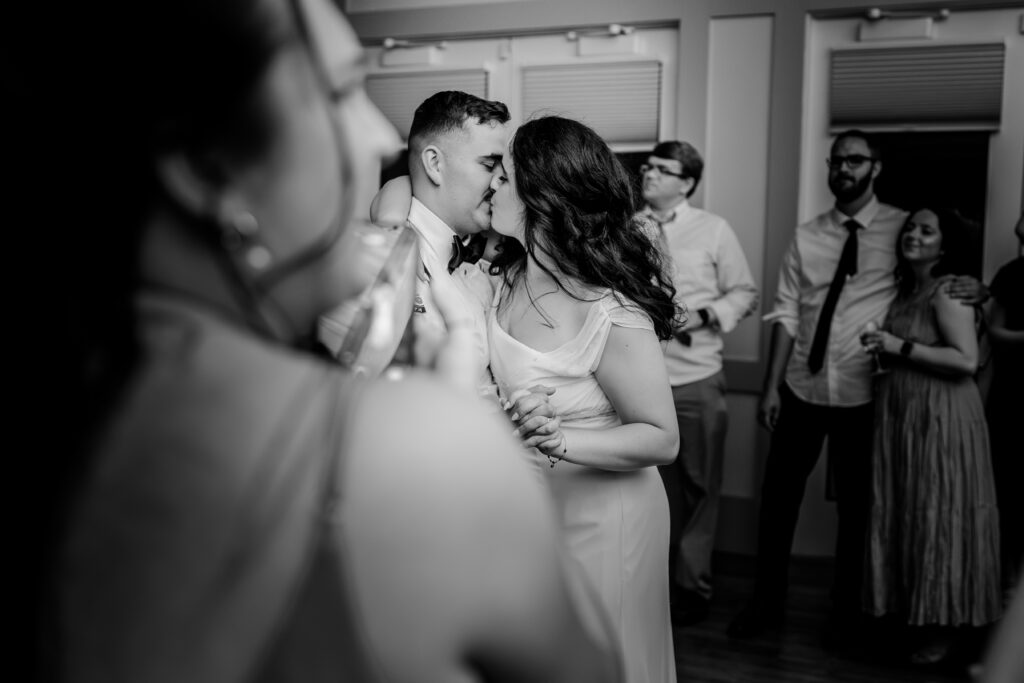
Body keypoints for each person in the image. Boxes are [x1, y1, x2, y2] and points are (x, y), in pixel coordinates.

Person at [36, 2, 624, 681]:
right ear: (205, 166)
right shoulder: (414, 451)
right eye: (341, 91)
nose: (378, 136)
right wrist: (449, 425)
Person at [728, 129, 986, 640]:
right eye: (836, 161)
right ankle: (766, 606)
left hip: (867, 392)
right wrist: (771, 385)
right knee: (778, 501)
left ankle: (847, 614)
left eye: (854, 160)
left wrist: (982, 286)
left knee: (858, 509)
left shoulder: (900, 226)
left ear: (875, 166)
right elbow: (785, 311)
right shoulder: (807, 234)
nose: (843, 169)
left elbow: (937, 269)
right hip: (802, 384)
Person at [488, 116, 681, 683]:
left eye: (505, 175)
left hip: (607, 515)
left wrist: (561, 438)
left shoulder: (611, 311)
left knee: (604, 657)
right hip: (535, 509)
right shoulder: (505, 276)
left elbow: (661, 437)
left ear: (541, 195)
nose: (493, 185)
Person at [860, 207, 1001, 664]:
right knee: (911, 513)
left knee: (940, 512)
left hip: (942, 417)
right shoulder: (907, 291)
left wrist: (897, 345)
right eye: (910, 229)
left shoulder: (948, 291)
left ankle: (947, 630)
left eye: (927, 230)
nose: (914, 236)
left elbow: (966, 360)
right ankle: (914, 618)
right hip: (905, 417)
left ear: (945, 244)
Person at [638, 140, 759, 626]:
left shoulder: (714, 230)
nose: (649, 175)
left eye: (662, 170)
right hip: (642, 378)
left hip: (698, 377)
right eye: (648, 167)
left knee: (701, 487)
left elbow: (744, 292)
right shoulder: (628, 228)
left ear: (687, 182)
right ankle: (649, 585)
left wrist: (706, 315)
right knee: (647, 486)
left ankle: (692, 586)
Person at [985, 212, 1024, 590]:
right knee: (1008, 499)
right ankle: (1006, 595)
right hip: (1011, 400)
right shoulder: (1011, 274)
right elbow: (995, 332)